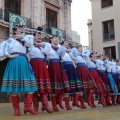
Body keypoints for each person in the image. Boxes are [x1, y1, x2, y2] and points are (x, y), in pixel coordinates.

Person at [1, 25, 38, 116]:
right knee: (14, 88)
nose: (22, 30)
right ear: (15, 31)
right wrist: (9, 56)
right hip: (14, 62)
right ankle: (16, 109)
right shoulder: (10, 40)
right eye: (19, 29)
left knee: (30, 87)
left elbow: (30, 44)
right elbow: (2, 49)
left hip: (24, 63)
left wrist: (22, 36)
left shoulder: (25, 40)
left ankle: (28, 107)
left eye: (23, 29)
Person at [43, 35, 70, 111]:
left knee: (64, 82)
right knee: (53, 85)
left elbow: (62, 54)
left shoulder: (59, 47)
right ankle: (54, 105)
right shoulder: (48, 46)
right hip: (52, 65)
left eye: (57, 39)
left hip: (59, 65)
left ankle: (59, 101)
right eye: (55, 38)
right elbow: (45, 53)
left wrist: (63, 47)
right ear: (51, 40)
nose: (56, 39)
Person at [28, 31, 53, 113]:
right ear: (33, 37)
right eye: (38, 35)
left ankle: (45, 106)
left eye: (40, 36)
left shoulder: (43, 46)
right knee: (34, 88)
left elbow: (48, 48)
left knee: (44, 87)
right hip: (34, 65)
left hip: (42, 66)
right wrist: (34, 43)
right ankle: (35, 107)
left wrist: (39, 44)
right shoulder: (30, 45)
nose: (40, 37)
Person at [59, 40, 86, 109]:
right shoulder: (60, 49)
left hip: (71, 67)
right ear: (62, 44)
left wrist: (74, 51)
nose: (67, 43)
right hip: (65, 67)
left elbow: (74, 57)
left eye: (68, 43)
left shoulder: (68, 52)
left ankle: (75, 101)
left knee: (77, 85)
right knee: (67, 86)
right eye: (65, 42)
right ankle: (67, 105)